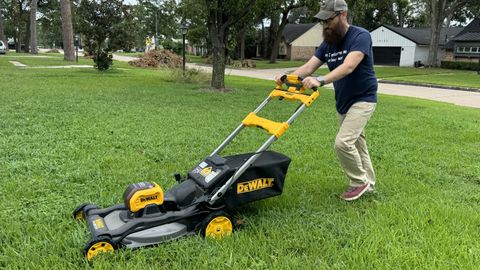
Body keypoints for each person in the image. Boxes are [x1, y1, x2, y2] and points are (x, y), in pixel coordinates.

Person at [276, 0, 377, 201]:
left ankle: (358, 182)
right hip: (343, 100)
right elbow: (308, 67)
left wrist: (320, 80)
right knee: (357, 144)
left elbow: (349, 66)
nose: (325, 25)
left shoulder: (360, 36)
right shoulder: (328, 43)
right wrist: (288, 78)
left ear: (343, 15)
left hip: (363, 98)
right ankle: (370, 185)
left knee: (343, 143)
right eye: (323, 22)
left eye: (329, 20)